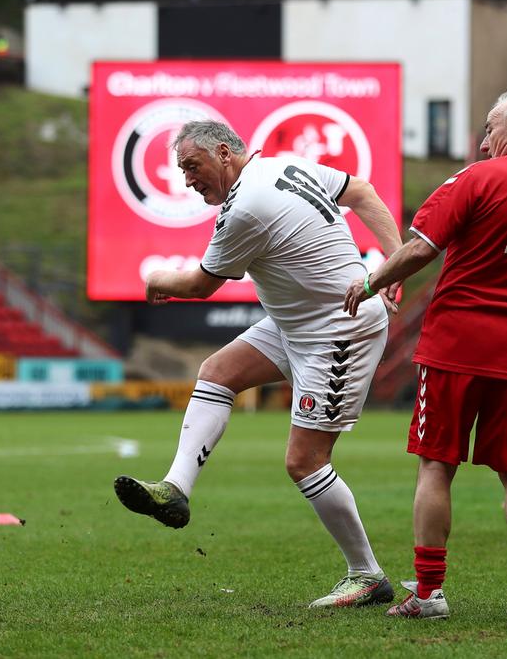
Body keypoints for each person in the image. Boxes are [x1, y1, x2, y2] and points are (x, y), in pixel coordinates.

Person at [114, 120, 402, 608]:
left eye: (192, 166)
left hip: (338, 330)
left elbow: (201, 287)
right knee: (217, 372)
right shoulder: (282, 165)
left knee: (304, 462)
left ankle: (367, 576)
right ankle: (175, 489)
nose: (187, 179)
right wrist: (396, 260)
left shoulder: (244, 206)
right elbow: (363, 191)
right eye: (182, 169)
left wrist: (157, 278)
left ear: (224, 153)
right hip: (299, 323)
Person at [344, 92, 507, 619]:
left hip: (457, 346)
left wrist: (372, 280)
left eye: (490, 128)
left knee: (436, 465)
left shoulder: (475, 180)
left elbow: (421, 247)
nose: (483, 141)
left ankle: (429, 593)